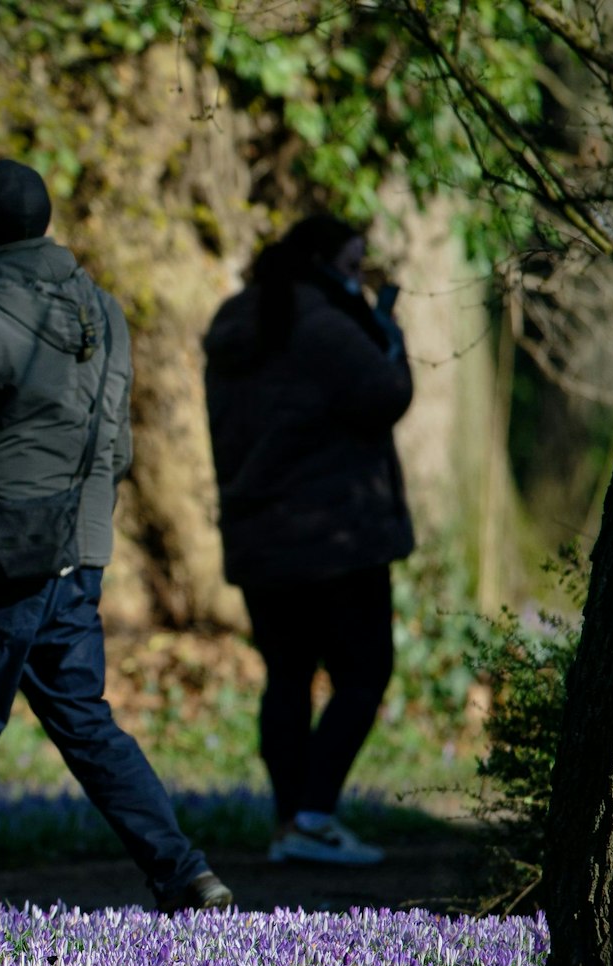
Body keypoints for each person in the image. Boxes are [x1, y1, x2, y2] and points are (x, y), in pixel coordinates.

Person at [0, 160, 231, 912]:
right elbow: (115, 446)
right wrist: (86, 541)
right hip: (77, 557)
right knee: (87, 726)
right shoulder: (102, 310)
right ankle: (185, 874)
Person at [202, 216, 413, 866]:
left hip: (260, 535)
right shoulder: (323, 326)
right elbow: (388, 394)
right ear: (322, 264)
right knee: (365, 670)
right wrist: (386, 332)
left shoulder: (237, 323)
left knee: (286, 677)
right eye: (352, 265)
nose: (359, 277)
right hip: (336, 535)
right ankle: (315, 815)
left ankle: (289, 821)